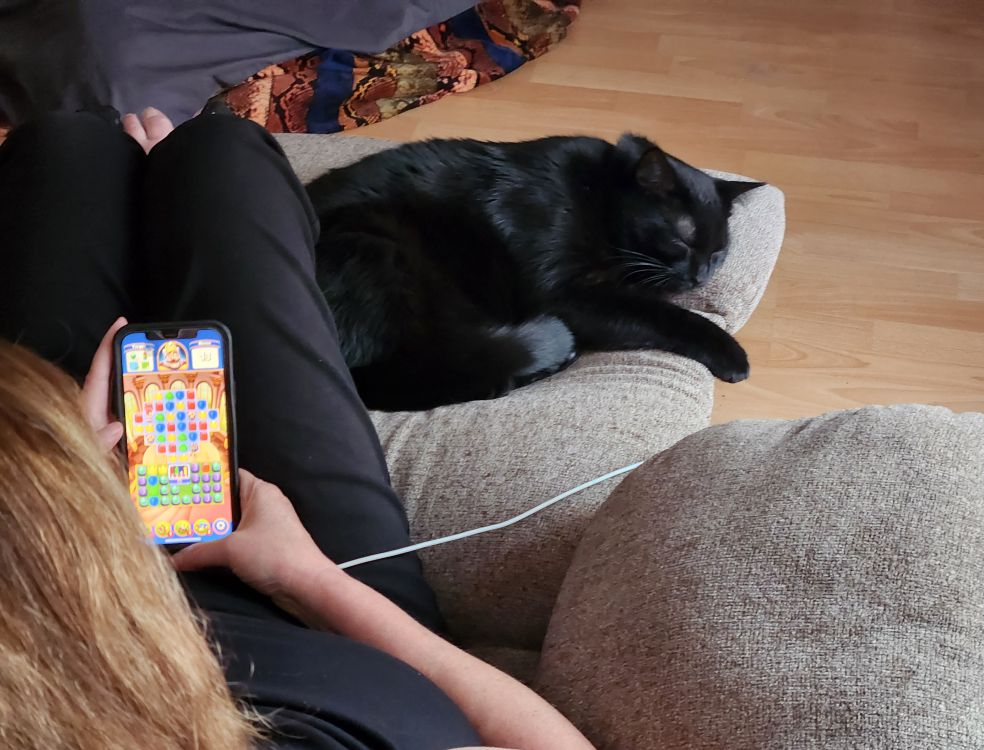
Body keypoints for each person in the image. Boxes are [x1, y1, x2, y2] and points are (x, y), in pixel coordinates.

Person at [0, 106, 596, 750]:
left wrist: (56, 505)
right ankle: (169, 174)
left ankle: (131, 171)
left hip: (51, 612)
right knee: (220, 152)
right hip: (332, 604)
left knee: (64, 148)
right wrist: (305, 577)